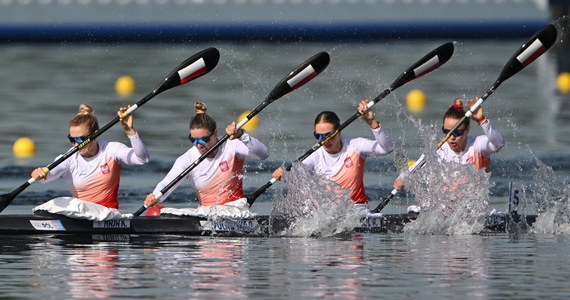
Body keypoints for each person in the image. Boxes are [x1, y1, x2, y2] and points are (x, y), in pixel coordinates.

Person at [272, 99, 395, 214]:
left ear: (339, 131)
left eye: (328, 135)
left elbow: (387, 148)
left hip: (357, 211)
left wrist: (371, 122)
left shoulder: (355, 146)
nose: (323, 141)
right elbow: (298, 172)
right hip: (326, 215)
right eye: (318, 136)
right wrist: (285, 175)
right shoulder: (315, 155)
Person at [143, 101, 269, 209]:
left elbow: (263, 154)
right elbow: (167, 183)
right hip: (207, 214)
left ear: (215, 133)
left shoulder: (231, 145)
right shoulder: (187, 159)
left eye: (203, 140)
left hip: (237, 210)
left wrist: (242, 135)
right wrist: (155, 196)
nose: (198, 145)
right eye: (193, 140)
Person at [31, 103, 150, 209]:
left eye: (80, 139)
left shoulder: (111, 150)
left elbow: (142, 159)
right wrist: (41, 174)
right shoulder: (69, 159)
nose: (75, 144)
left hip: (109, 216)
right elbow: (49, 175)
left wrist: (130, 131)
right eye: (71, 139)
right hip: (81, 215)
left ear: (96, 134)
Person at [393, 98, 505, 194]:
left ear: (467, 130)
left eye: (457, 132)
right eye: (447, 132)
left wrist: (482, 120)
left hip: (474, 213)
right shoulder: (438, 151)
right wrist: (402, 180)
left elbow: (499, 144)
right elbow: (413, 170)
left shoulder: (478, 145)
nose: (451, 137)